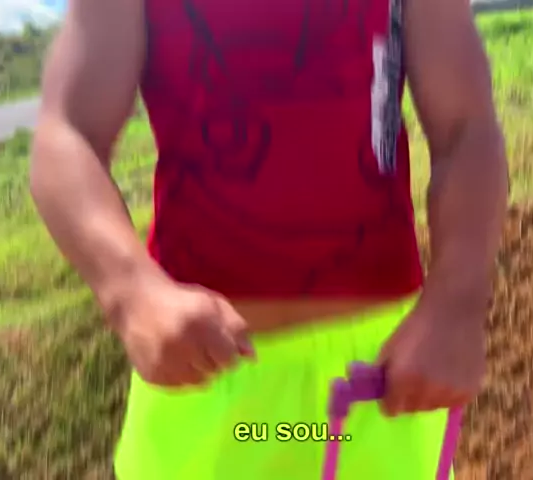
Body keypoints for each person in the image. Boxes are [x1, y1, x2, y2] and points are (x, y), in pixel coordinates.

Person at [30, 0, 508, 477]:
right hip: (208, 377)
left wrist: (456, 307)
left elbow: (467, 127)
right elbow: (66, 133)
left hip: (381, 378)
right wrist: (133, 294)